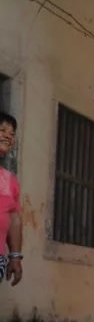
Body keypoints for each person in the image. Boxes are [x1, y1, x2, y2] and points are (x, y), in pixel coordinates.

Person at [0, 112, 22, 287]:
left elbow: (14, 219)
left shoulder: (10, 180)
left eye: (12, 133)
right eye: (2, 130)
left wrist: (15, 257)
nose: (8, 136)